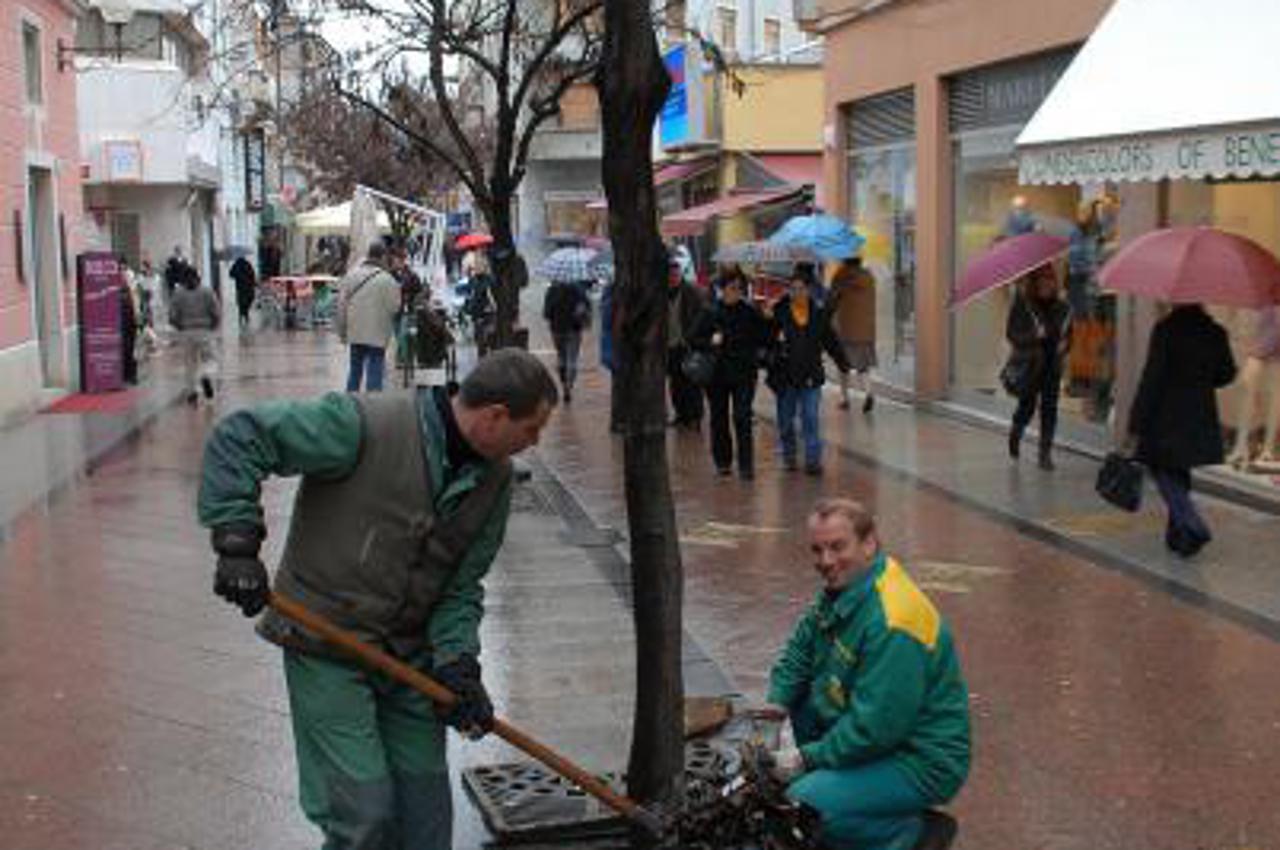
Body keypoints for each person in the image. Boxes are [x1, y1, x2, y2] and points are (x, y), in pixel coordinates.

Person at [198, 349, 558, 850]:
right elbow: (243, 435)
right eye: (532, 429)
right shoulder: (364, 425)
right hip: (326, 645)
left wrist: (457, 663)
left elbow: (460, 587)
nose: (535, 442)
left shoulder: (494, 483)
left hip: (408, 661)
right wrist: (236, 540)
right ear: (496, 415)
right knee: (363, 818)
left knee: (425, 822)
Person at [763, 498, 970, 850]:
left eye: (837, 547)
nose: (825, 561)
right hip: (876, 733)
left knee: (802, 806)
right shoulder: (844, 588)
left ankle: (912, 833)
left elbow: (876, 729)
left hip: (920, 759)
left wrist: (805, 758)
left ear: (869, 542)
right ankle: (845, 791)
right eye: (817, 550)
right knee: (802, 701)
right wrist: (776, 703)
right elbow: (801, 647)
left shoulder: (894, 621)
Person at [1126, 303, 1236, 557]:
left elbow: (1151, 377)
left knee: (1161, 468)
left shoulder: (1166, 330)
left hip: (1164, 415)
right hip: (1198, 415)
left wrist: (1136, 421)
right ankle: (1179, 536)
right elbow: (1226, 374)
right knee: (1179, 469)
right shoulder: (1215, 332)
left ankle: (1191, 522)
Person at [764, 270, 849, 475]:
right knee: (785, 422)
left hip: (810, 374)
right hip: (785, 376)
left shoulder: (818, 313)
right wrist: (768, 323)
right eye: (793, 289)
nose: (797, 292)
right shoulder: (779, 312)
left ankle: (813, 461)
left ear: (809, 290)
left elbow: (830, 339)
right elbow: (766, 340)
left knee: (810, 418)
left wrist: (842, 362)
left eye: (801, 288)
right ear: (788, 290)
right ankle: (790, 456)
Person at [689, 272, 768, 478]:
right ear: (722, 289)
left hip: (744, 373)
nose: (736, 292)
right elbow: (693, 339)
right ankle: (723, 461)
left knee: (742, 417)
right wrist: (710, 342)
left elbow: (765, 339)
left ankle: (746, 465)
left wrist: (767, 318)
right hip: (717, 375)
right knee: (719, 418)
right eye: (732, 287)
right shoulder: (710, 311)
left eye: (740, 288)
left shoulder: (750, 311)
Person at [1006, 265, 1071, 470]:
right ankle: (1016, 431)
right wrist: (1035, 336)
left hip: (1052, 365)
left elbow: (1069, 335)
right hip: (1031, 364)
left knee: (1049, 409)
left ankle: (1045, 453)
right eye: (1042, 279)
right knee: (1027, 406)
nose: (1047, 283)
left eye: (1050, 279)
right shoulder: (1024, 304)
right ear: (1034, 282)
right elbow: (1012, 334)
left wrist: (1065, 345)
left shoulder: (1063, 307)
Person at [336, 243, 402, 392]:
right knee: (375, 371)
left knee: (354, 371)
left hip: (356, 332)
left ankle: (350, 404)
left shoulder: (351, 275)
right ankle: (372, 406)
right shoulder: (388, 280)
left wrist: (342, 331)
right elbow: (395, 308)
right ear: (383, 257)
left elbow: (340, 306)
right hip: (378, 334)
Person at [829, 255, 877, 413]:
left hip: (846, 328)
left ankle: (844, 399)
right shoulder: (868, 276)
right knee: (863, 366)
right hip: (865, 329)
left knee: (843, 365)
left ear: (845, 261)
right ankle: (868, 392)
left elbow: (832, 299)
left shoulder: (841, 276)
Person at [169, 264, 221, 404]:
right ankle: (206, 375)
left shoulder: (178, 293)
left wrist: (180, 327)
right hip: (205, 331)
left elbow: (172, 316)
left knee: (190, 364)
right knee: (210, 359)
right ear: (198, 277)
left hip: (186, 332)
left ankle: (192, 392)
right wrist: (214, 326)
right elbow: (216, 311)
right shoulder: (207, 291)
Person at [666, 254, 708, 429]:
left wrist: (691, 335)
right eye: (670, 275)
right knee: (676, 384)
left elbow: (701, 315)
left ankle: (695, 416)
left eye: (676, 274)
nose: (674, 277)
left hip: (688, 344)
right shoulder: (662, 294)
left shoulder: (692, 291)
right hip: (670, 345)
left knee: (692, 382)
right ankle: (681, 415)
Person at [542, 278, 591, 403]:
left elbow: (546, 313)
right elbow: (587, 308)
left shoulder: (552, 290)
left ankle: (564, 383)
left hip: (557, 329)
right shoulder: (579, 290)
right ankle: (569, 387)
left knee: (561, 357)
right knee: (572, 359)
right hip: (574, 329)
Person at [230, 255, 257, 327]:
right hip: (246, 287)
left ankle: (243, 314)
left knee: (242, 302)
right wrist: (254, 283)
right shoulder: (247, 264)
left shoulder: (237, 265)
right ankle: (244, 314)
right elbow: (252, 275)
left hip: (242, 288)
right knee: (245, 301)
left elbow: (231, 274)